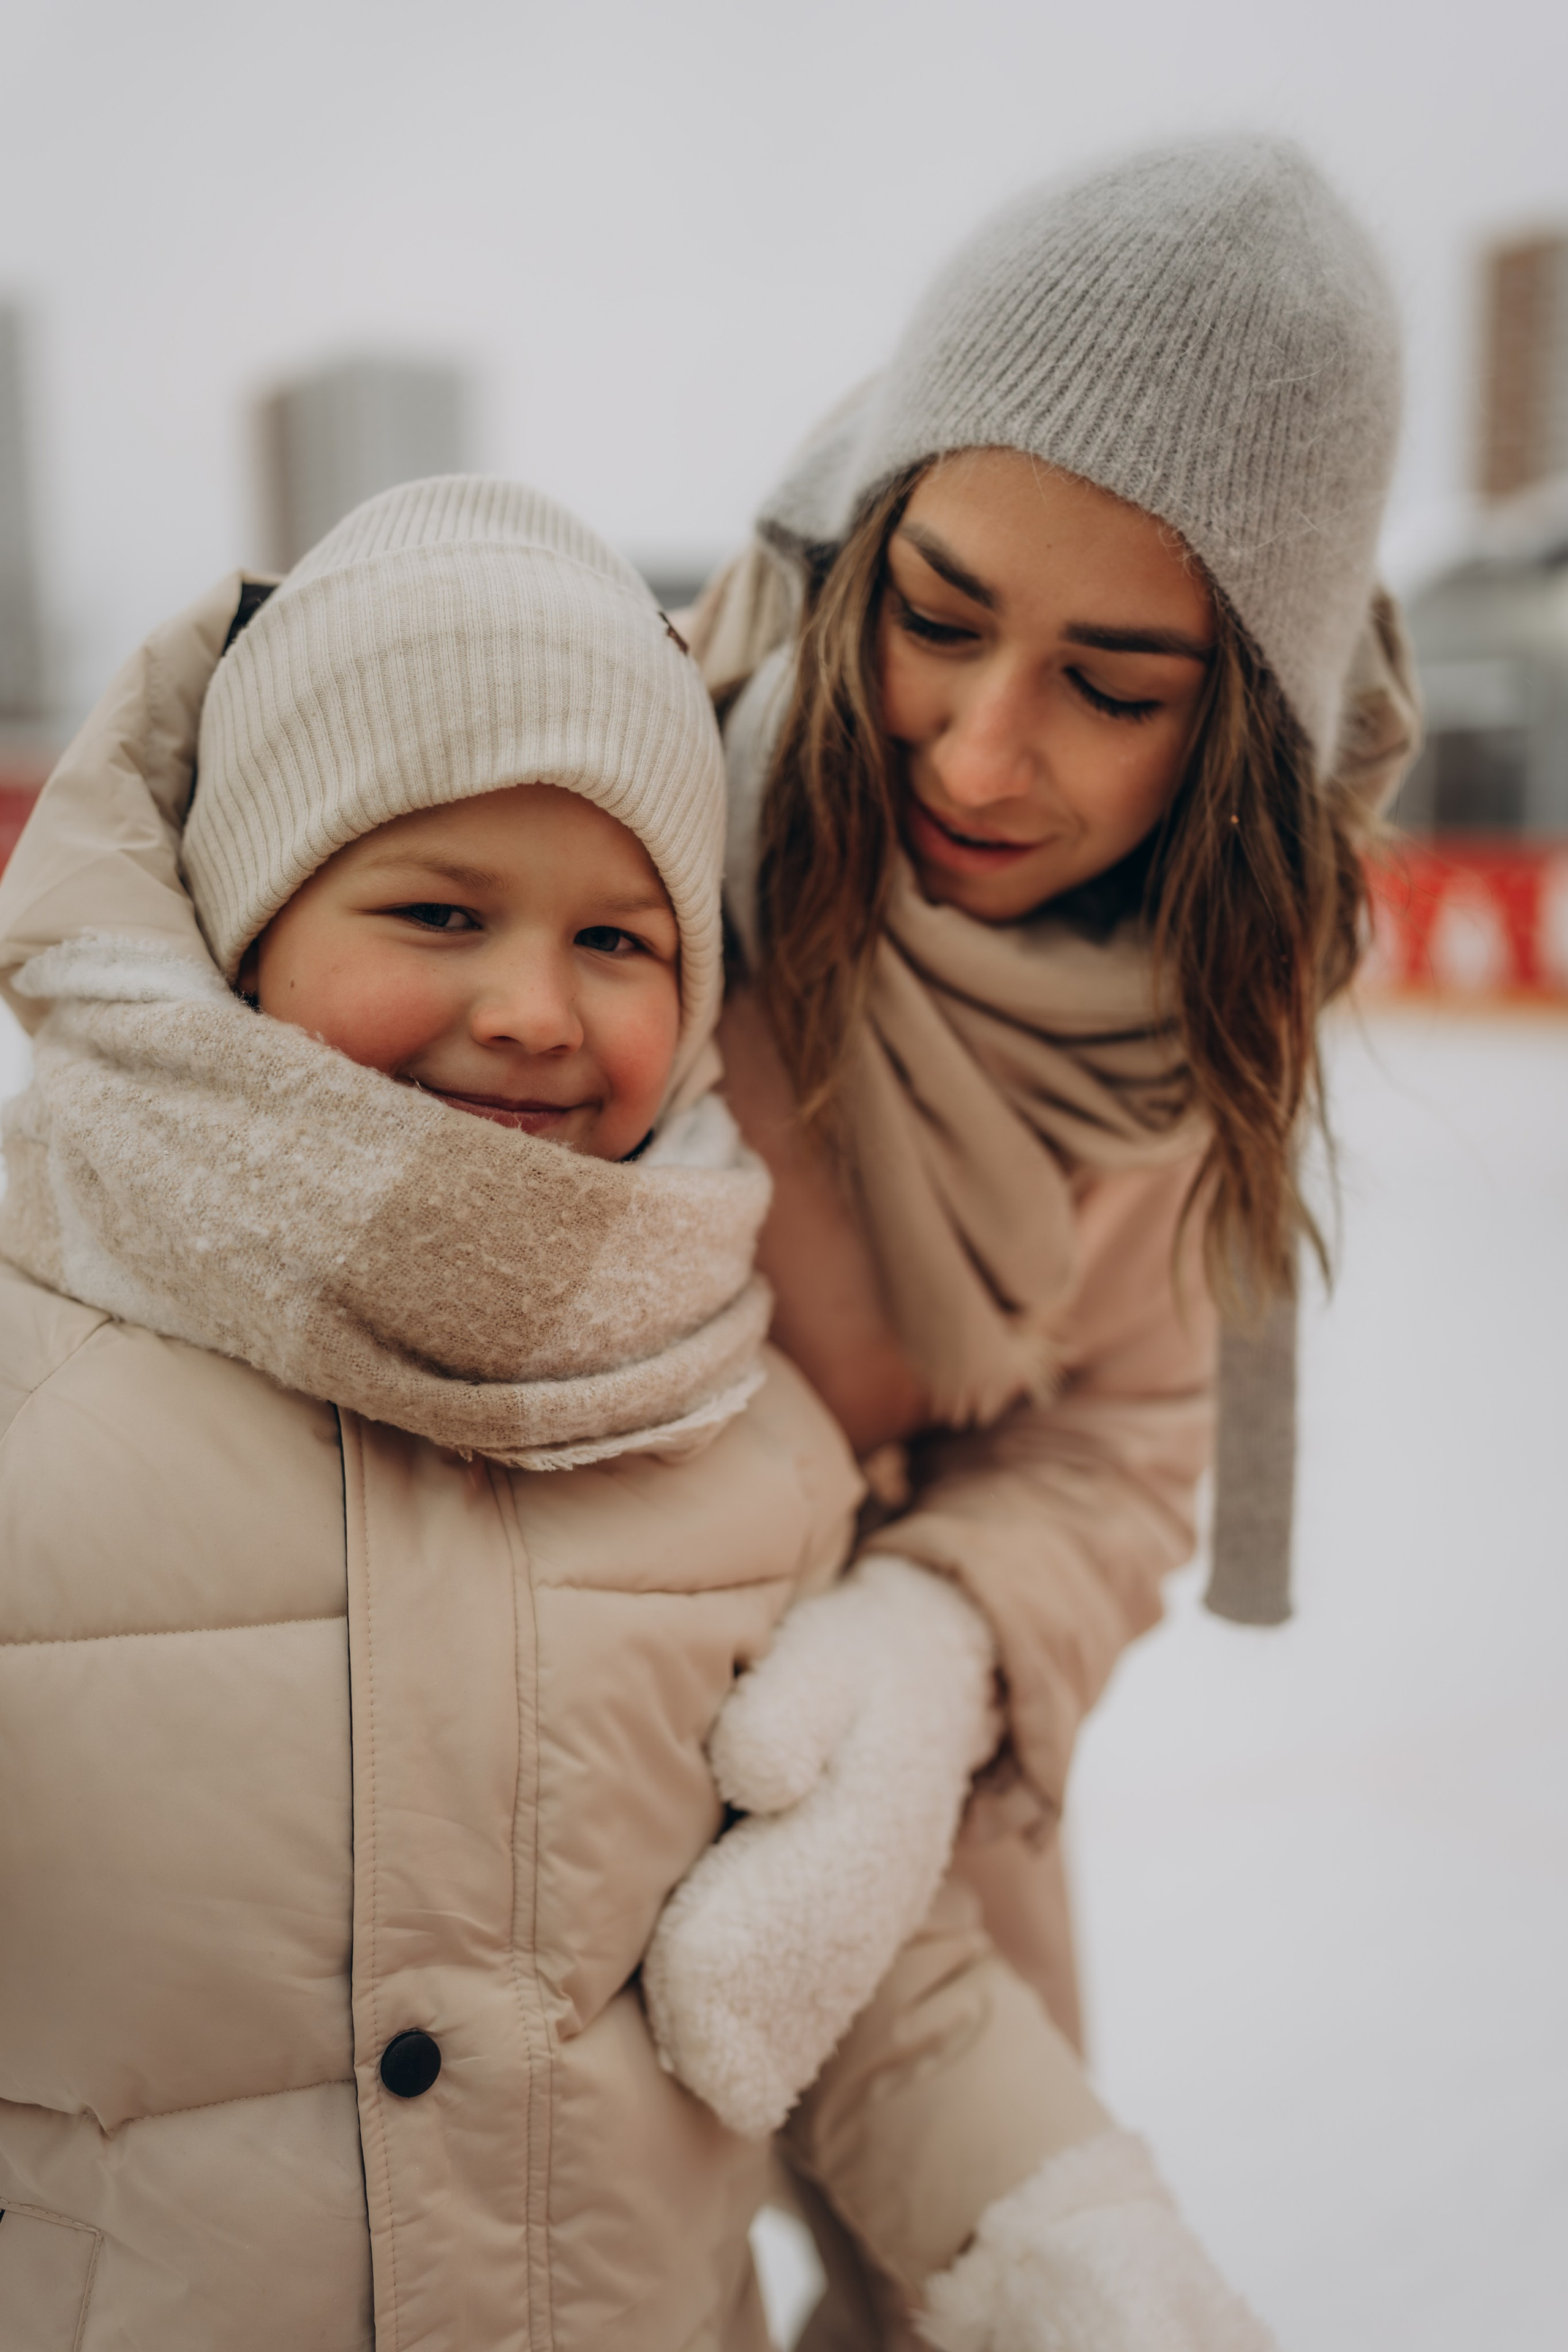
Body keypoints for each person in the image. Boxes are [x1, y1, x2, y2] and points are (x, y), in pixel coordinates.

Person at [0, 477, 1275, 2352]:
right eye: (438, 909)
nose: (529, 1006)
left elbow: (863, 1971)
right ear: (246, 914)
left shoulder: (745, 1455)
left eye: (617, 942)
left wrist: (1067, 2239)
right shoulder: (36, 1410)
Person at [657, 135, 1421, 2316]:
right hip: (555, 1712)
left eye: (1112, 683)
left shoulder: (1207, 1025)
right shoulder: (638, 835)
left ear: (1245, 718)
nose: (982, 755)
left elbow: (1115, 1441)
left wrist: (934, 1646)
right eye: (939, 619)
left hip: (911, 1791)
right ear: (872, 545)